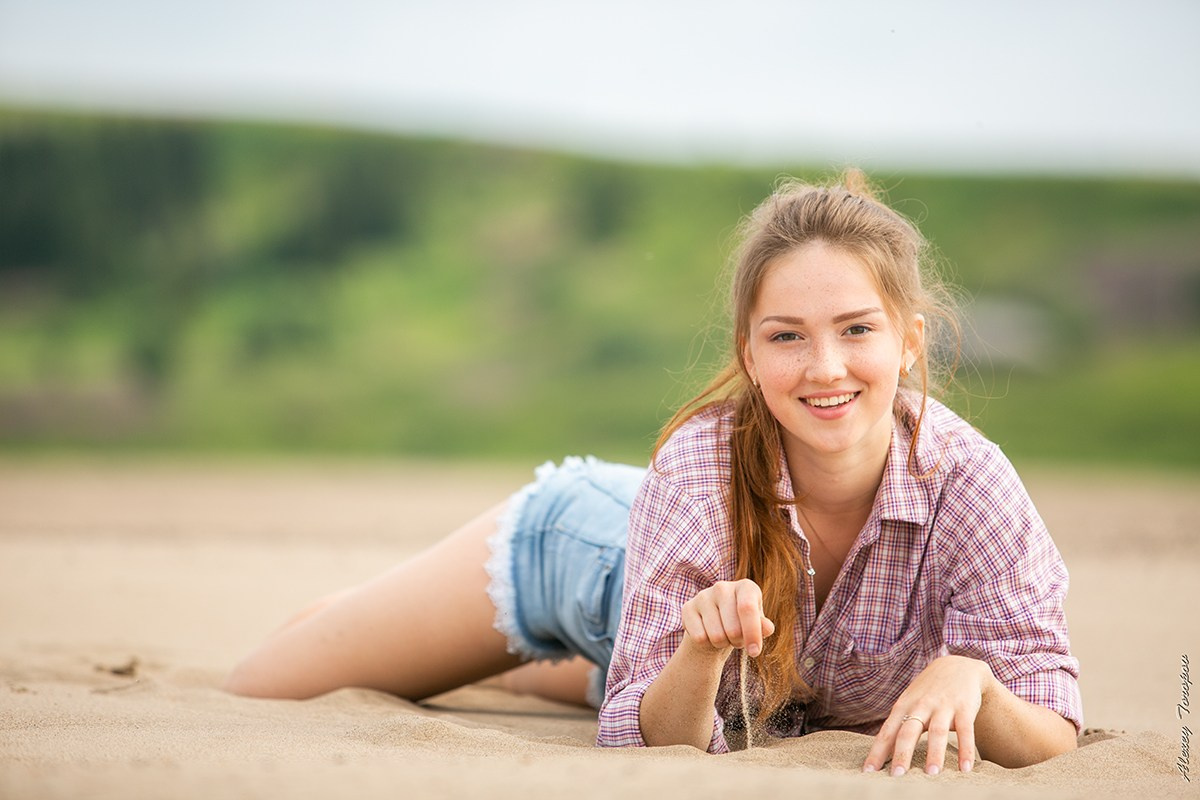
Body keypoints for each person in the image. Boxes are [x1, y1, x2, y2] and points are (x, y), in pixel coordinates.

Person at [223, 170, 1082, 776]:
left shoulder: (969, 483)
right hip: (581, 558)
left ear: (910, 339)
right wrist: (701, 648)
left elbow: (1051, 725)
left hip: (675, 659)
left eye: (857, 329)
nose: (825, 367)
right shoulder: (700, 464)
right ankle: (408, 629)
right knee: (265, 683)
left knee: (631, 667)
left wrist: (978, 680)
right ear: (748, 352)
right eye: (787, 335)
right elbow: (646, 736)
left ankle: (505, 658)